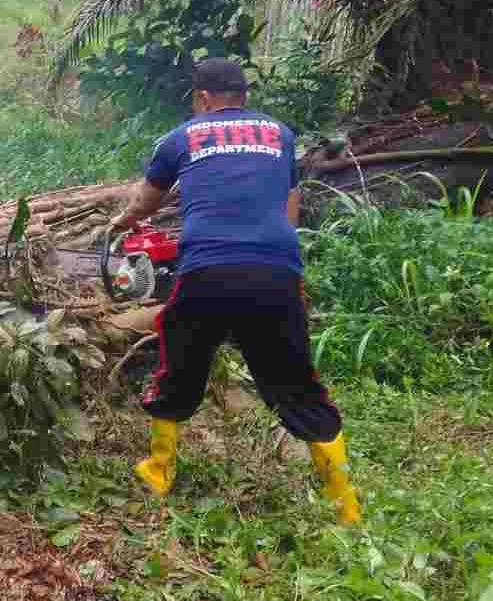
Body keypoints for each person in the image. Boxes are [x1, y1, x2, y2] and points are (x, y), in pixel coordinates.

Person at [109, 58, 361, 526]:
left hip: (206, 270)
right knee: (297, 383)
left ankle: (159, 472)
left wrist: (123, 220)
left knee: (177, 363)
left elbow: (147, 199)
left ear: (203, 98)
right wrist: (286, 270)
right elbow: (289, 206)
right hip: (274, 271)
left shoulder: (181, 137)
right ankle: (344, 503)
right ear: (244, 95)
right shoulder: (281, 135)